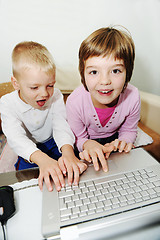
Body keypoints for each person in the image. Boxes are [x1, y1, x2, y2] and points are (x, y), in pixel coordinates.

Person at [0, 41, 87, 192]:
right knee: (26, 181)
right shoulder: (7, 103)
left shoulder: (56, 96)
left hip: (53, 141)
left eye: (50, 85)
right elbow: (15, 137)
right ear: (16, 83)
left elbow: (61, 125)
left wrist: (68, 152)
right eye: (34, 87)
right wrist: (42, 160)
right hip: (29, 149)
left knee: (72, 166)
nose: (45, 93)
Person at [66, 26, 141, 173]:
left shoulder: (133, 96)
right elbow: (78, 138)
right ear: (83, 75)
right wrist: (88, 145)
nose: (105, 81)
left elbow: (129, 130)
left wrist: (123, 142)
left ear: (128, 72)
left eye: (115, 71)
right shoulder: (74, 102)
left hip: (115, 140)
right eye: (94, 72)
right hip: (87, 145)